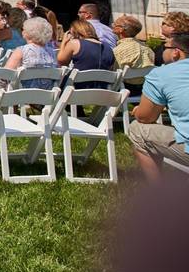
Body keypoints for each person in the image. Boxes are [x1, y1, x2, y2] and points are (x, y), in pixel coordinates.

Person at [129, 32, 189, 179]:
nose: (162, 51)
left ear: (176, 52)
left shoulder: (161, 74)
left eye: (165, 46)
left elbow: (145, 118)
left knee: (137, 129)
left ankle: (160, 194)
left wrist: (138, 111)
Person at [57, 19, 116, 88]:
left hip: (76, 90)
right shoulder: (108, 48)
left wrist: (64, 41)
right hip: (101, 91)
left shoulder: (75, 43)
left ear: (73, 31)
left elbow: (61, 62)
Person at [5, 17, 58, 89]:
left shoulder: (21, 51)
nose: (22, 31)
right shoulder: (52, 52)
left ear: (28, 33)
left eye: (23, 29)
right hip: (46, 97)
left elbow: (6, 75)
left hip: (21, 97)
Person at [113, 15, 155, 96]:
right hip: (144, 88)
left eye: (115, 24)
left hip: (124, 89)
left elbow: (114, 72)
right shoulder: (148, 49)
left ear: (121, 29)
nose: (113, 26)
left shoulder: (118, 50)